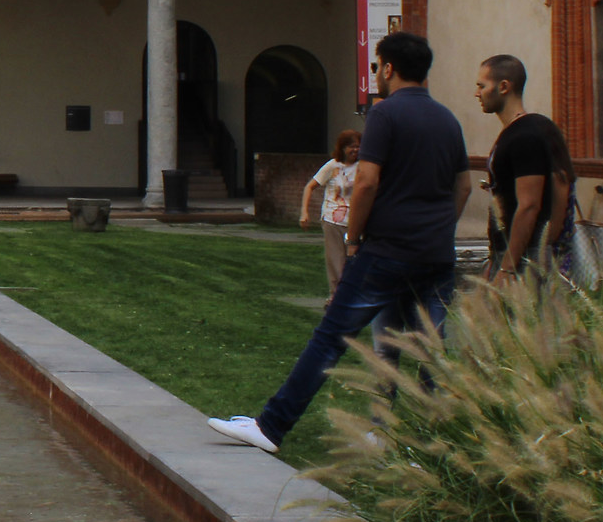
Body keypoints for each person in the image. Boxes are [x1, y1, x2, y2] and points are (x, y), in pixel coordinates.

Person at [209, 31, 470, 454]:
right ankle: (439, 445)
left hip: (387, 250)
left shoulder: (385, 115)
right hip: (436, 254)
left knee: (331, 337)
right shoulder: (448, 120)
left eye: (377, 66)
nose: (376, 75)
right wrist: (439, 229)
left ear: (389, 68)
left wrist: (353, 240)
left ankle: (271, 427)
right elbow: (463, 188)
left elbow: (366, 181)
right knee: (430, 350)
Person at [475, 54, 573, 279]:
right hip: (518, 254)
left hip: (523, 260)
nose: (476, 93)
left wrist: (508, 266)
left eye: (482, 86)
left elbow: (529, 205)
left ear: (504, 87)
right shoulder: (536, 128)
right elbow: (561, 182)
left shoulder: (524, 137)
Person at [299, 129, 362, 292]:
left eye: (358, 146)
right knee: (336, 261)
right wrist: (304, 212)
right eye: (352, 146)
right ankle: (335, 296)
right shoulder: (333, 166)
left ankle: (351, 295)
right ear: (342, 148)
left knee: (356, 261)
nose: (355, 150)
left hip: (356, 221)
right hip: (333, 220)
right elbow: (309, 187)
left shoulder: (363, 167)